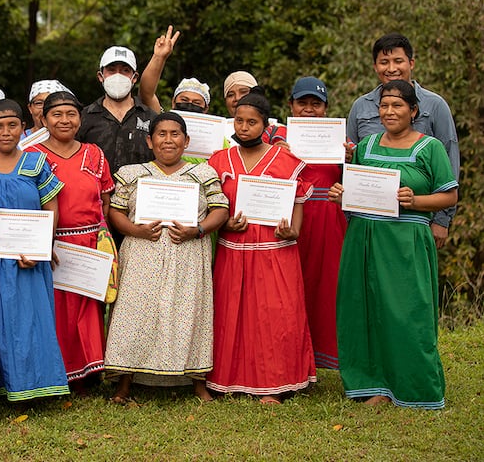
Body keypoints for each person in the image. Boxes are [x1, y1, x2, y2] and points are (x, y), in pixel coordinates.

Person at [329, 80, 457, 409]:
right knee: (365, 310)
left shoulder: (430, 148)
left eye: (397, 106)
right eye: (384, 106)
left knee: (407, 313)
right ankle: (373, 386)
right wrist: (342, 194)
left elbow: (450, 195)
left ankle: (415, 387)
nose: (389, 112)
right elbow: (354, 186)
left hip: (406, 240)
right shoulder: (366, 145)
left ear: (413, 111)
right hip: (364, 237)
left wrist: (416, 200)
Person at [104, 112, 229, 403]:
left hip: (187, 252)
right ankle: (124, 383)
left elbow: (220, 210)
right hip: (142, 251)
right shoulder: (132, 173)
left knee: (189, 313)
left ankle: (197, 381)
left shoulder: (204, 173)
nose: (168, 140)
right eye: (161, 134)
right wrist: (135, 230)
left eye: (175, 134)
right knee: (134, 314)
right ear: (150, 140)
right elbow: (114, 211)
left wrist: (197, 230)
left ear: (186, 141)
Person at [206, 87, 316, 404]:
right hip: (233, 249)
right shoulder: (219, 160)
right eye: (239, 121)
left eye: (251, 122)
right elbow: (212, 205)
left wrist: (292, 230)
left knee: (275, 315)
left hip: (275, 250)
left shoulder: (286, 160)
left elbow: (297, 200)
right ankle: (230, 379)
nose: (243, 127)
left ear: (265, 125)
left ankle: (276, 383)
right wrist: (225, 223)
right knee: (232, 314)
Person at [0, 99, 69, 402]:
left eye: (12, 124)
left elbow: (51, 208)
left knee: (30, 320)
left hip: (29, 261)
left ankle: (35, 384)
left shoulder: (36, 163)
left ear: (23, 127)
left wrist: (41, 249)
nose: (5, 131)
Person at [27, 90, 114, 392]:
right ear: (44, 119)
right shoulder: (32, 155)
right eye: (57, 114)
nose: (64, 120)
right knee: (57, 311)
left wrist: (104, 242)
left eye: (71, 114)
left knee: (88, 310)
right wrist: (41, 242)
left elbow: (105, 202)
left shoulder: (95, 153)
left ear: (80, 118)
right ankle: (60, 371)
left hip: (89, 241)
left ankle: (91, 372)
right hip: (51, 243)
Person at [347, 33, 459, 248]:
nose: (391, 68)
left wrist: (442, 220)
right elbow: (351, 165)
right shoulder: (360, 106)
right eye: (384, 62)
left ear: (411, 63)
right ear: (375, 66)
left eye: (398, 61)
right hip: (368, 222)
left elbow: (449, 165)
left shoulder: (435, 105)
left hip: (417, 221)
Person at [272, 77, 347, 370]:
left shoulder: (340, 139)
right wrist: (280, 150)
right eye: (302, 103)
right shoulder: (278, 137)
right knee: (291, 285)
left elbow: (351, 184)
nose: (309, 109)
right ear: (291, 105)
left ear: (326, 108)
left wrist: (349, 159)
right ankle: (291, 354)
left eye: (316, 104)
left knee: (326, 286)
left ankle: (326, 354)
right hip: (290, 217)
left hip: (328, 219)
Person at [78, 45, 157, 173]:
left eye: (125, 70)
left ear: (134, 78)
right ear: (100, 76)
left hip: (139, 191)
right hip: (96, 192)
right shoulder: (83, 118)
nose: (118, 76)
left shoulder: (151, 118)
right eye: (111, 70)